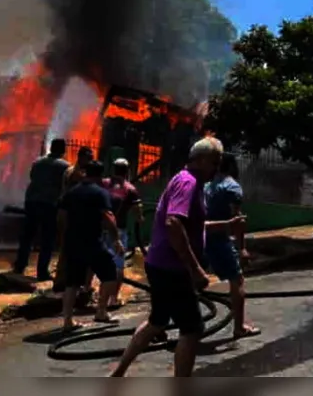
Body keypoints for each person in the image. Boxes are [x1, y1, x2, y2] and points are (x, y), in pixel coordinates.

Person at [111, 137, 246, 378]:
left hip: (160, 264)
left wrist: (226, 224)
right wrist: (195, 270)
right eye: (214, 163)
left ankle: (118, 373)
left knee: (158, 321)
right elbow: (174, 223)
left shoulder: (187, 181)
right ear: (201, 160)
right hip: (172, 268)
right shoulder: (189, 183)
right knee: (192, 329)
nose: (216, 169)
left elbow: (194, 224)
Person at [60, 160, 126, 331]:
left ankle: (67, 321)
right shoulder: (100, 193)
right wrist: (116, 239)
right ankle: (101, 311)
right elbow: (108, 216)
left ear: (84, 172)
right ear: (100, 175)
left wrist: (63, 237)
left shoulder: (72, 192)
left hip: (72, 241)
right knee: (110, 272)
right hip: (92, 241)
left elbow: (61, 216)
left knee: (72, 282)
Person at [204, 153, 260, 340]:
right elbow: (237, 221)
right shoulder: (232, 187)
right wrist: (242, 247)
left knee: (190, 282)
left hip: (201, 237)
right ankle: (239, 327)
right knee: (237, 281)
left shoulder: (206, 186)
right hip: (220, 238)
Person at [13, 139, 70, 281]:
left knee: (27, 235)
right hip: (49, 204)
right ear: (63, 150)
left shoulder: (37, 162)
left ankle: (20, 266)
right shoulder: (65, 166)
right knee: (47, 238)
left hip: (32, 201)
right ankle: (42, 271)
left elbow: (32, 177)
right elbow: (65, 185)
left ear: (51, 148)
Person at [101, 158, 144, 310]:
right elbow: (137, 211)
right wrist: (140, 218)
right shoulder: (130, 189)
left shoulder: (103, 183)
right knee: (118, 265)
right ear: (127, 171)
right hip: (118, 231)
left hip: (100, 228)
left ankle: (87, 290)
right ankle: (113, 299)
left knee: (95, 262)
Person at [53, 146, 95, 293]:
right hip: (70, 215)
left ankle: (65, 280)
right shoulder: (75, 173)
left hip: (70, 213)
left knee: (68, 248)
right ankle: (64, 281)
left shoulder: (71, 170)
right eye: (89, 158)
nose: (91, 160)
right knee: (68, 248)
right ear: (81, 157)